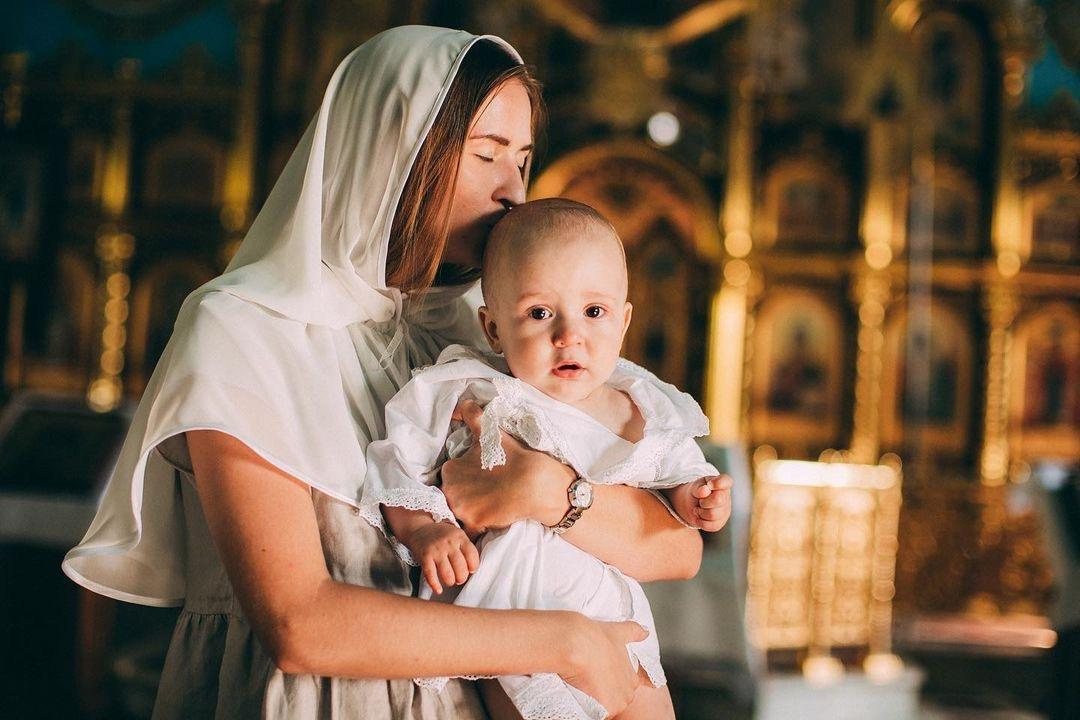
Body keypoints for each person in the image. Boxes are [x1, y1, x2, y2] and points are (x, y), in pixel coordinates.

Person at [60, 25, 705, 720]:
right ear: (389, 151)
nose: (514, 191)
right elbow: (299, 625)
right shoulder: (242, 330)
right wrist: (566, 642)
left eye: (521, 160)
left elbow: (677, 550)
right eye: (487, 154)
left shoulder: (484, 334)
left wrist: (553, 492)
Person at [360, 199, 734, 720]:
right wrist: (424, 529)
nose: (569, 335)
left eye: (594, 312)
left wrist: (697, 498)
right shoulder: (470, 390)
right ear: (492, 329)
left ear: (624, 322)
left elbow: (675, 473)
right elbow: (397, 465)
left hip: (616, 625)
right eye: (540, 313)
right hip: (516, 627)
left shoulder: (638, 407)